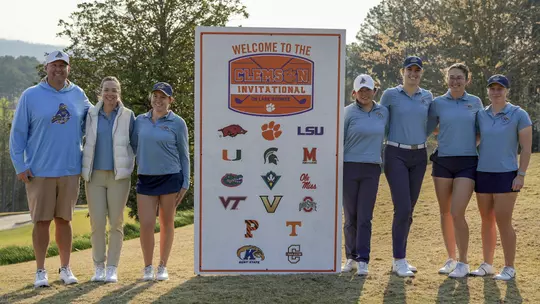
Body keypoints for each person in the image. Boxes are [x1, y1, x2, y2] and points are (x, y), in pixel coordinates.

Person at [9, 50, 92, 287]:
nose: (58, 69)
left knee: (64, 220)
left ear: (69, 68)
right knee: (41, 222)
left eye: (63, 65)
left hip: (69, 169)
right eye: (54, 65)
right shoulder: (31, 95)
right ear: (46, 68)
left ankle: (65, 268)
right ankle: (40, 271)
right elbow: (18, 135)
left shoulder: (78, 94)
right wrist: (20, 165)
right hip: (39, 171)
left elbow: (94, 121)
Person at [470, 74, 532, 281]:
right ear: (488, 91)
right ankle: (487, 264)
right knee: (486, 220)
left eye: (500, 88)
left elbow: (526, 148)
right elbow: (474, 139)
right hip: (483, 173)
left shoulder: (518, 114)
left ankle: (509, 267)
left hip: (507, 174)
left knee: (504, 221)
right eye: (492, 88)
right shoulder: (480, 114)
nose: (496, 92)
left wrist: (521, 174)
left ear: (507, 91)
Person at [427, 64, 483, 277]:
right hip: (442, 161)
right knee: (445, 212)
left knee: (457, 212)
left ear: (467, 80)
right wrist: (445, 135)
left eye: (459, 78)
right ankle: (451, 258)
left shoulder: (475, 102)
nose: (455, 81)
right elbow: (431, 126)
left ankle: (463, 262)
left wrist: (468, 143)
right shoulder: (438, 103)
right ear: (446, 80)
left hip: (467, 162)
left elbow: (480, 131)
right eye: (451, 78)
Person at [131, 82, 190, 281]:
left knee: (166, 223)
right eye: (155, 96)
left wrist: (186, 182)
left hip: (171, 177)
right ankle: (148, 267)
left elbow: (184, 155)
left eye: (163, 97)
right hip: (146, 178)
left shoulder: (177, 122)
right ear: (151, 98)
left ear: (170, 100)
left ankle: (162, 266)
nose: (158, 100)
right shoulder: (139, 121)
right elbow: (132, 146)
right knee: (146, 224)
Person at [380, 56, 433, 277]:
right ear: (402, 72)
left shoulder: (427, 96)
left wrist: (419, 137)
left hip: (420, 155)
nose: (413, 73)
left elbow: (431, 123)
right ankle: (398, 259)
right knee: (402, 208)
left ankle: (400, 258)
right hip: (395, 153)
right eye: (409, 70)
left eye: (417, 70)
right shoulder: (390, 95)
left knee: (408, 210)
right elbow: (379, 121)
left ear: (421, 73)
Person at [81, 76, 135, 283]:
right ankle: (98, 267)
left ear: (119, 93)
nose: (110, 93)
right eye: (106, 90)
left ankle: (112, 267)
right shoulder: (91, 114)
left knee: (116, 223)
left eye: (114, 90)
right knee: (97, 223)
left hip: (118, 178)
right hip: (94, 176)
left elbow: (135, 144)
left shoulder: (128, 116)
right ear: (100, 92)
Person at [341, 74, 388, 276]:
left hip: (371, 168)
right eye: (361, 91)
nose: (365, 94)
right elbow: (339, 141)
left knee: (365, 216)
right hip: (349, 166)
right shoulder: (347, 113)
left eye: (368, 90)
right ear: (354, 93)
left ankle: (363, 259)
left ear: (374, 91)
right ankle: (350, 257)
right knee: (350, 215)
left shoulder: (383, 112)